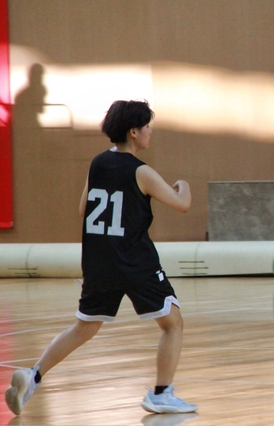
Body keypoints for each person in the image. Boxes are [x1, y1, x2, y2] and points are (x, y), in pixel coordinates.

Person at [4, 100, 198, 415]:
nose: (150, 132)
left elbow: (84, 209)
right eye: (147, 127)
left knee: (84, 327)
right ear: (134, 132)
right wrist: (184, 185)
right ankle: (162, 394)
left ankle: (33, 375)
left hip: (98, 261)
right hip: (135, 261)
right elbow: (182, 204)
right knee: (172, 323)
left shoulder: (97, 163)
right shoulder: (142, 171)